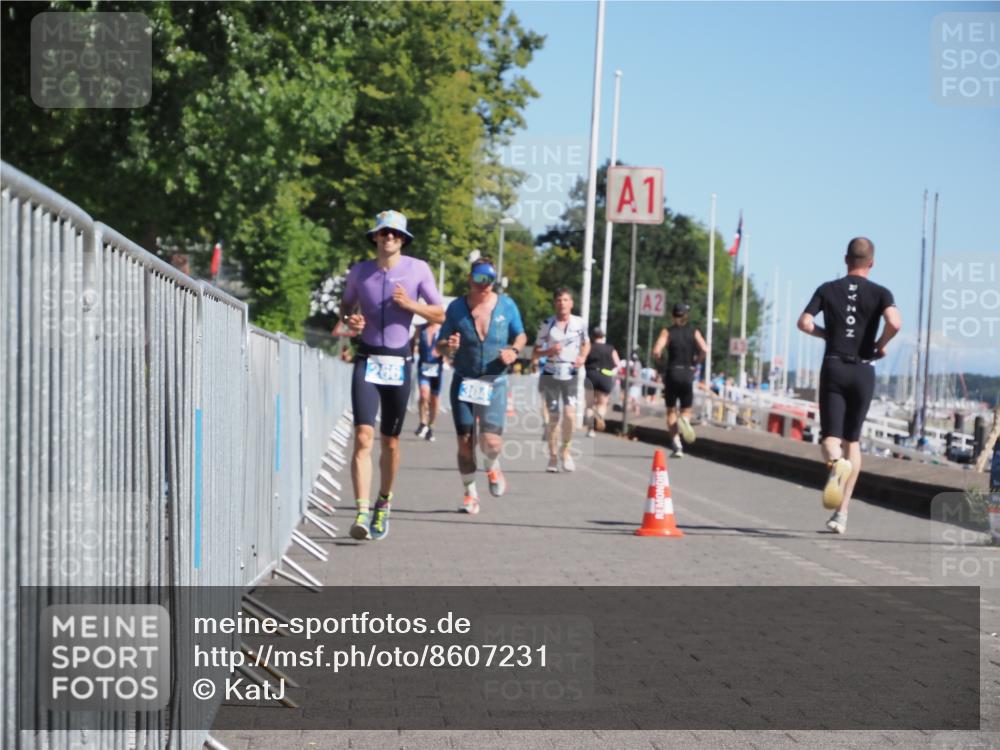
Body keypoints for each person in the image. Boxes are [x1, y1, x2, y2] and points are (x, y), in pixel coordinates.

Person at [340, 210, 445, 541]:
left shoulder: (418, 269)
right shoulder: (360, 272)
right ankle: (360, 510)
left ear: (403, 240)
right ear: (375, 236)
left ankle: (383, 503)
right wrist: (352, 321)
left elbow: (440, 313)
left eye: (396, 235)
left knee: (392, 441)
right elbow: (345, 310)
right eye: (384, 233)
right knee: (362, 436)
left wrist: (411, 305)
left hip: (399, 362)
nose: (389, 238)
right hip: (367, 359)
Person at [797, 237, 900, 534]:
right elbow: (895, 322)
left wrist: (826, 334)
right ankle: (841, 514)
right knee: (852, 441)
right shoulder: (881, 292)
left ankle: (835, 463)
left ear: (845, 259)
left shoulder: (827, 289)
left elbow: (803, 322)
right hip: (863, 370)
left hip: (834, 365)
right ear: (872, 262)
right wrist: (879, 345)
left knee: (831, 439)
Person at [436, 257, 526, 514]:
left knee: (491, 443)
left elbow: (520, 334)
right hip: (464, 381)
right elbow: (440, 344)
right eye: (479, 279)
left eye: (489, 280)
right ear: (470, 279)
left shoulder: (507, 305)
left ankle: (492, 466)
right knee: (465, 442)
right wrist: (448, 346)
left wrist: (514, 349)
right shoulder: (455, 308)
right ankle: (470, 493)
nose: (484, 285)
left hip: (495, 382)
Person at [533, 288, 590, 472]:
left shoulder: (580, 323)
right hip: (551, 372)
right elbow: (535, 352)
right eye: (559, 300)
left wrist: (583, 357)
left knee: (570, 415)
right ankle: (552, 457)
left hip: (570, 373)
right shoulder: (546, 324)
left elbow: (586, 343)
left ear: (571, 303)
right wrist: (548, 351)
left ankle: (566, 451)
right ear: (554, 303)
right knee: (554, 418)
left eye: (566, 300)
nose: (562, 303)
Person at [652, 303, 708, 458]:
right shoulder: (693, 332)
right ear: (686, 316)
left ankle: (677, 444)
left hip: (672, 372)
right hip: (687, 373)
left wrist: (662, 363)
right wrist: (697, 361)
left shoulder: (667, 332)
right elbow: (705, 349)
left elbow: (656, 351)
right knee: (686, 408)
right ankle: (684, 419)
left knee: (671, 410)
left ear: (673, 316)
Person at [584, 328, 620, 437]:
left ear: (593, 336)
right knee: (602, 403)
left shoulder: (589, 346)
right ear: (603, 336)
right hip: (605, 376)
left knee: (590, 404)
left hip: (591, 374)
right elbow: (618, 363)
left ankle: (590, 429)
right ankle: (599, 415)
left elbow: (582, 358)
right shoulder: (610, 349)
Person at [412, 321, 443, 441]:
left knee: (434, 399)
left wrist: (443, 351)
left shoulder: (443, 328)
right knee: (424, 395)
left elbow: (448, 348)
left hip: (437, 368)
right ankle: (422, 422)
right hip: (423, 367)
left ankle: (431, 426)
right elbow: (413, 342)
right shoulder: (421, 328)